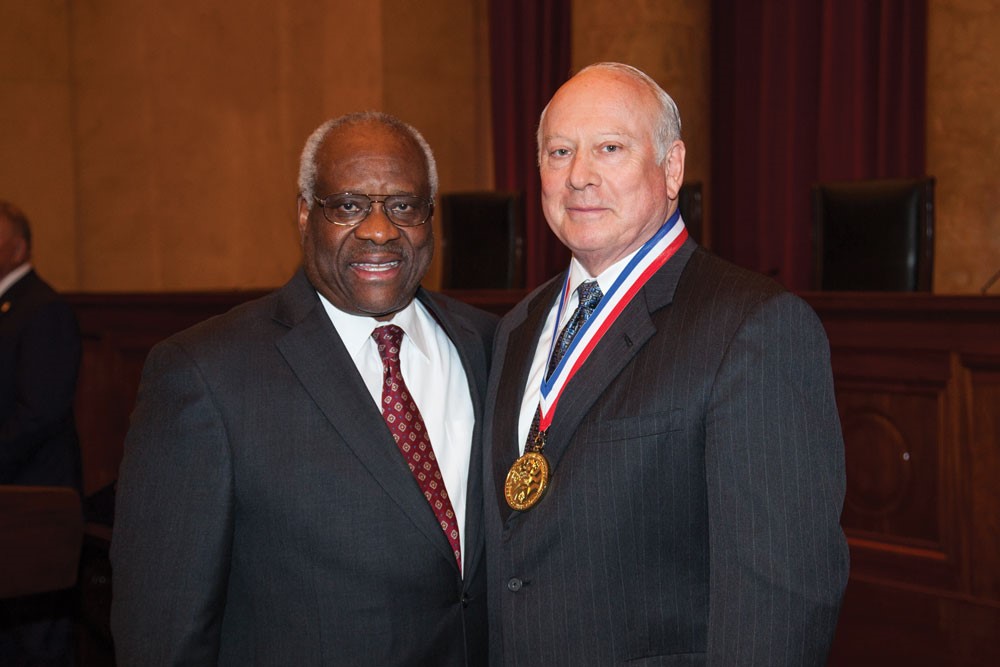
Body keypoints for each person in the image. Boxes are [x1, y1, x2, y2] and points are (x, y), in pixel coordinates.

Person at [483, 62, 849, 665]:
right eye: (559, 151)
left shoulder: (754, 328)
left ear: (671, 168)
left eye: (609, 148)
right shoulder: (518, 327)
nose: (579, 177)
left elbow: (780, 607)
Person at [111, 112, 496, 666]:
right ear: (303, 214)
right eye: (348, 206)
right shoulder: (204, 374)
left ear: (430, 218)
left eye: (403, 206)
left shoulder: (488, 344)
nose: (380, 229)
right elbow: (163, 633)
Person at [0, 200, 82, 664]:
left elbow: (40, 412)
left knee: (37, 642)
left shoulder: (42, 308)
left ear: (19, 247)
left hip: (35, 496)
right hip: (11, 496)